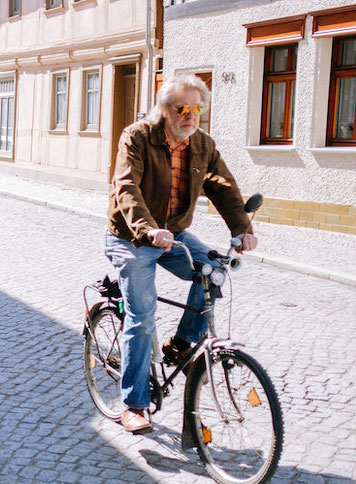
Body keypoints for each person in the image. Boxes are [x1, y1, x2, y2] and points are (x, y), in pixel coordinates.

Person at [105, 74, 258, 435]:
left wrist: (241, 229)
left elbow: (222, 186)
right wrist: (147, 229)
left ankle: (181, 345)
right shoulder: (137, 137)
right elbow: (126, 186)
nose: (190, 115)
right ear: (165, 109)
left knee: (214, 269)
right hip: (132, 238)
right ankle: (134, 404)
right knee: (142, 320)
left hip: (172, 233)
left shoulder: (202, 144)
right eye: (182, 108)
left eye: (197, 109)